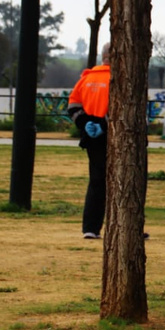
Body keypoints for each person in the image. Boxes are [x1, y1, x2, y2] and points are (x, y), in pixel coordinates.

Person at [67, 43, 111, 239]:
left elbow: (73, 106)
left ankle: (91, 228)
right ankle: (127, 228)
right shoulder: (118, 78)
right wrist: (104, 124)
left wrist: (85, 123)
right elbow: (123, 107)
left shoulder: (86, 79)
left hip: (93, 139)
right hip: (113, 136)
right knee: (124, 183)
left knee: (96, 182)